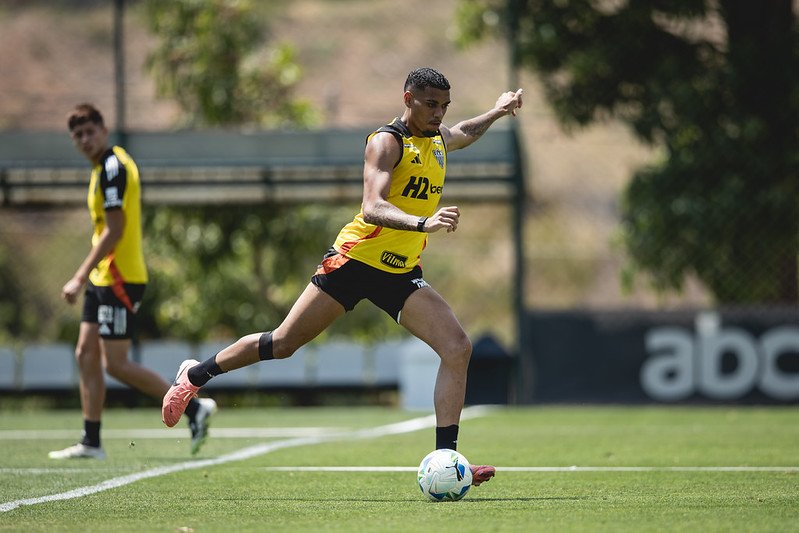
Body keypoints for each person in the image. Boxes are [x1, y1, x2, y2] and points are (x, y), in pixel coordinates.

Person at [162, 68, 522, 485]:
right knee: (282, 343)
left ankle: (448, 461)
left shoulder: (437, 138)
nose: (439, 113)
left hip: (399, 272)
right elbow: (372, 206)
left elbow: (463, 132)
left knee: (457, 347)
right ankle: (194, 376)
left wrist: (496, 111)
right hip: (355, 261)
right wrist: (424, 224)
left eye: (444, 106)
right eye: (430, 104)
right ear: (408, 99)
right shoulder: (387, 142)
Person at [49, 104, 217, 459]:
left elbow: (115, 230)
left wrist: (78, 277)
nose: (84, 139)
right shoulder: (99, 170)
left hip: (119, 279)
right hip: (103, 278)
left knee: (117, 364)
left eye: (89, 131)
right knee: (85, 353)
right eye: (77, 135)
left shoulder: (114, 167)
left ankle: (193, 407)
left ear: (104, 131)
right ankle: (91, 440)